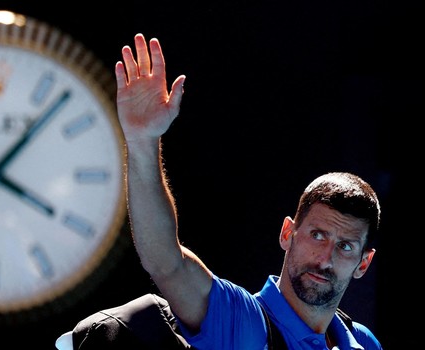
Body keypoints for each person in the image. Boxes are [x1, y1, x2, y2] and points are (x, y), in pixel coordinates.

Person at [114, 33, 383, 350]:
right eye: (318, 235)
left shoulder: (364, 343)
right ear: (287, 233)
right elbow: (166, 262)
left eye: (346, 247)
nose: (325, 259)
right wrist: (142, 142)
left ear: (363, 264)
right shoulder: (240, 321)